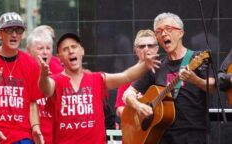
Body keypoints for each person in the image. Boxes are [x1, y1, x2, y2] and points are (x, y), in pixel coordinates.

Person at [38, 32, 159, 144]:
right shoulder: (56, 81)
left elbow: (126, 76)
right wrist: (43, 76)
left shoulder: (97, 79)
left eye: (74, 47)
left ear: (82, 51)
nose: (70, 51)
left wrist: (144, 64)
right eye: (65, 49)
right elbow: (46, 88)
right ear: (60, 57)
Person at [123, 12, 215, 144]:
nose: (164, 34)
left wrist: (195, 80)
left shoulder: (198, 58)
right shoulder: (156, 66)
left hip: (193, 134)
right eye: (159, 31)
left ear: (181, 33)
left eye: (168, 29)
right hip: (162, 135)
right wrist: (138, 106)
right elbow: (127, 94)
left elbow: (212, 87)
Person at [0, 12, 43, 144]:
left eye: (18, 30)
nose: (14, 34)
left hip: (22, 136)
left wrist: (36, 128)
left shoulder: (31, 64)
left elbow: (33, 102)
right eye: (9, 30)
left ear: (23, 34)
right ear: (0, 34)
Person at [26, 28, 63, 144]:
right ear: (29, 51)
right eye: (40, 48)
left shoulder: (60, 72)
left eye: (48, 48)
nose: (45, 52)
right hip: (30, 135)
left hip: (55, 136)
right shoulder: (23, 71)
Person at [115, 29, 159, 118]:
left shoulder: (165, 71)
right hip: (137, 128)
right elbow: (119, 109)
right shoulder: (129, 76)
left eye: (150, 46)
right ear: (136, 50)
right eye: (142, 46)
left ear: (156, 48)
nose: (146, 49)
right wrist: (139, 113)